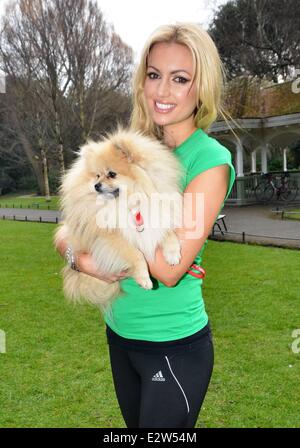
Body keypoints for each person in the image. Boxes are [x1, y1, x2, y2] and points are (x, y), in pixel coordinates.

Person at [55, 22, 236, 428]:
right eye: (154, 75)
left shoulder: (208, 161)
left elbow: (169, 269)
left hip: (171, 343)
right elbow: (70, 230)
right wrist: (79, 257)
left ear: (200, 87)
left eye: (180, 79)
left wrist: (111, 225)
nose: (162, 91)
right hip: (120, 332)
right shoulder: (131, 149)